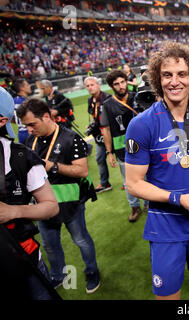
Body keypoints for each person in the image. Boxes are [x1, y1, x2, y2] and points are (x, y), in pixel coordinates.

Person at [124, 41, 189, 300]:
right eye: (167, 75)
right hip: (165, 223)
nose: (174, 81)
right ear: (158, 79)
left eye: (182, 74)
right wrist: (178, 199)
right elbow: (134, 184)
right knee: (168, 296)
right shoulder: (142, 125)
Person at [17, 98, 100, 294]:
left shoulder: (71, 138)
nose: (29, 129)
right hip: (44, 205)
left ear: (46, 117)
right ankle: (58, 275)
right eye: (26, 126)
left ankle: (92, 272)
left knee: (80, 240)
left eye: (32, 124)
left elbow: (82, 172)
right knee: (50, 245)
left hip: (71, 204)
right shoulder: (30, 140)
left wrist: (51, 166)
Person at [0, 87, 59, 299]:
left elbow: (51, 206)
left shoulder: (20, 156)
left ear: (2, 120)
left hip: (22, 260)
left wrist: (13, 212)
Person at [101, 69, 148, 222]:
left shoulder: (138, 97)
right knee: (128, 180)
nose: (121, 86)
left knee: (147, 176)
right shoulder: (107, 105)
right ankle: (134, 207)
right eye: (116, 84)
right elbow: (106, 130)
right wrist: (109, 152)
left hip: (143, 144)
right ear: (111, 86)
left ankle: (149, 203)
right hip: (122, 148)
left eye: (123, 82)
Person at [84, 76, 113, 194]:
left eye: (92, 85)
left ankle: (130, 182)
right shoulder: (90, 101)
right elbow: (94, 117)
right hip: (98, 136)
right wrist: (91, 125)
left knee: (123, 159)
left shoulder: (107, 98)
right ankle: (105, 183)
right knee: (100, 158)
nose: (90, 88)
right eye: (87, 86)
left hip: (110, 134)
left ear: (98, 85)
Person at [11, 78, 32, 143]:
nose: (29, 86)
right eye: (27, 85)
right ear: (22, 88)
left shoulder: (13, 101)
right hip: (30, 132)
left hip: (21, 133)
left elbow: (11, 118)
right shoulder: (26, 102)